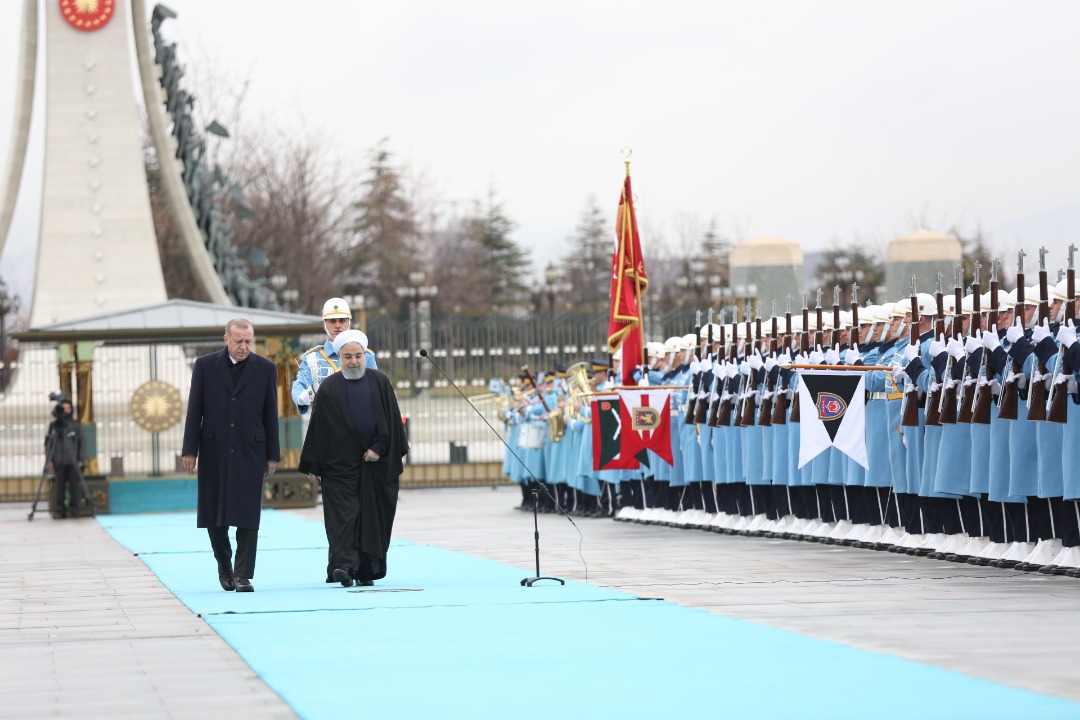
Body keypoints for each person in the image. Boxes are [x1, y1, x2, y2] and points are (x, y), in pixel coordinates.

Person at [299, 329, 408, 587]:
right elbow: (318, 428)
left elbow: (391, 422)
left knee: (371, 519)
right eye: (347, 357)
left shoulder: (379, 382)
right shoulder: (329, 388)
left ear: (364, 356)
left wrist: (378, 448)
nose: (354, 361)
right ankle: (343, 567)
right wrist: (314, 464)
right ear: (339, 357)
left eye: (358, 356)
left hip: (374, 466)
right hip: (339, 467)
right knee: (343, 519)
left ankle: (366, 569)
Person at [182, 319, 280, 593]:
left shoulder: (265, 368)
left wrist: (272, 454)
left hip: (251, 450)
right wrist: (190, 450)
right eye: (238, 341)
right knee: (216, 515)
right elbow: (195, 409)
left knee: (248, 514)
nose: (244, 347)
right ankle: (224, 567)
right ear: (226, 339)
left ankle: (242, 575)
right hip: (214, 449)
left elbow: (270, 414)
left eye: (248, 341)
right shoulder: (204, 366)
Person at [291, 298, 378, 432]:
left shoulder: (366, 356)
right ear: (324, 325)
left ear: (349, 323)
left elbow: (376, 390)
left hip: (359, 426)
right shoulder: (312, 357)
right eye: (332, 321)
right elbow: (300, 384)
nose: (338, 325)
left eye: (342, 320)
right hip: (326, 428)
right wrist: (301, 396)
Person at [46, 398, 85, 519]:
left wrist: (81, 459)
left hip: (73, 461)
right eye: (64, 408)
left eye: (68, 408)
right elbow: (49, 444)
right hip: (59, 460)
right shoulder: (53, 426)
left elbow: (82, 443)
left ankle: (75, 510)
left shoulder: (76, 425)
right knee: (59, 488)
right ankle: (59, 510)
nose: (66, 411)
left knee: (74, 487)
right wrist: (49, 460)